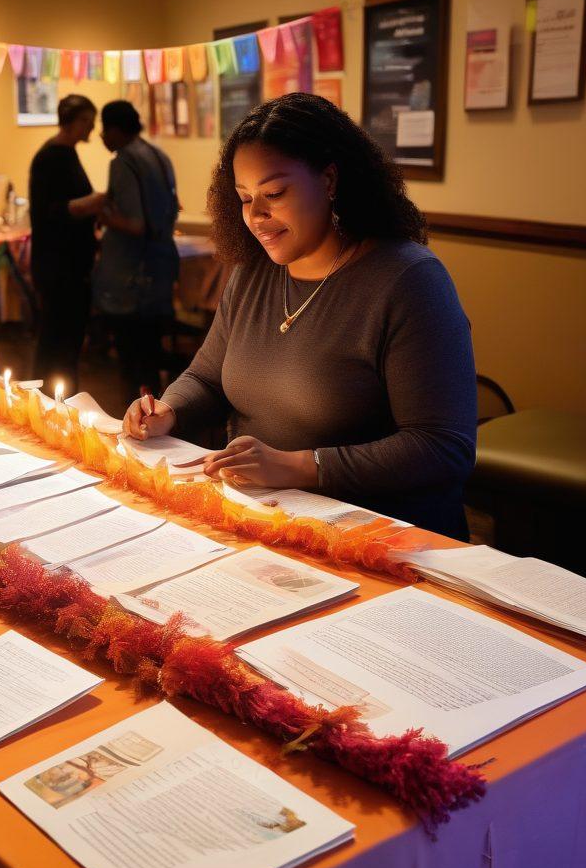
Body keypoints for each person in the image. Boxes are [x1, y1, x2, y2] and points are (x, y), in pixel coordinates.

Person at [123, 94, 476, 539]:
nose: (256, 216)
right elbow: (208, 378)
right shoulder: (253, 270)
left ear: (329, 180)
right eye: (245, 198)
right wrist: (169, 409)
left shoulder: (409, 280)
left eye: (274, 194)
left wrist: (301, 465)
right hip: (264, 518)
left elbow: (443, 447)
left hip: (374, 536)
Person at [95, 99, 179, 401]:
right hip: (161, 266)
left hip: (132, 274)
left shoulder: (123, 161)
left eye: (104, 129)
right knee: (152, 352)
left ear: (116, 129)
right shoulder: (159, 155)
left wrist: (103, 215)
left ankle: (134, 416)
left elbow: (135, 223)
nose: (102, 136)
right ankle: (158, 411)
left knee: (132, 358)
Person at [28, 94, 105, 395]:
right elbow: (50, 211)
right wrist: (93, 202)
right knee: (57, 339)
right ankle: (52, 399)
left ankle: (62, 398)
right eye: (87, 120)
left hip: (68, 264)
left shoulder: (66, 153)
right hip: (58, 266)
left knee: (66, 340)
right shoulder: (51, 157)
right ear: (72, 121)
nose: (92, 127)